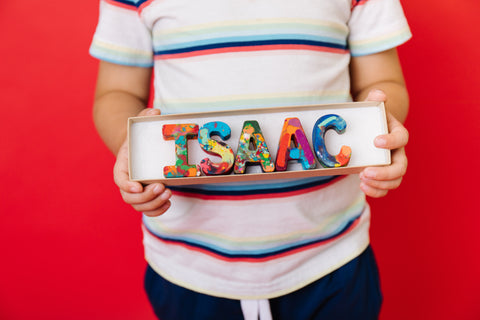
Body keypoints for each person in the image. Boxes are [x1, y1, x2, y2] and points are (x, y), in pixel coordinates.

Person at [90, 0, 410, 319]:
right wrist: (131, 147)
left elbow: (381, 81)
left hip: (332, 256)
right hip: (189, 263)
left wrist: (382, 130)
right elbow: (117, 91)